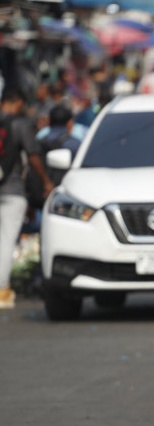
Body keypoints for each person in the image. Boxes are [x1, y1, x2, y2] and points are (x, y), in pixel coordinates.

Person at [0, 88, 55, 308]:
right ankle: (1, 289)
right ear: (18, 102)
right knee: (4, 242)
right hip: (12, 191)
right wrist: (45, 182)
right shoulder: (19, 125)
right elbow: (33, 156)